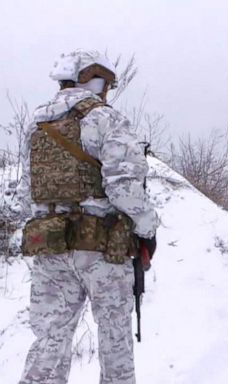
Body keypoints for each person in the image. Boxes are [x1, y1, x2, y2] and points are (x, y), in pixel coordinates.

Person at [17, 49, 159, 384]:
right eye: (106, 82)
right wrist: (148, 230)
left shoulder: (36, 124)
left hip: (49, 247)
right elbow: (125, 187)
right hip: (101, 248)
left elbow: (28, 191)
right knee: (114, 338)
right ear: (94, 79)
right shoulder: (105, 119)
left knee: (49, 339)